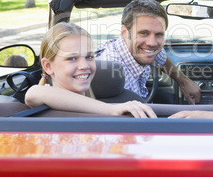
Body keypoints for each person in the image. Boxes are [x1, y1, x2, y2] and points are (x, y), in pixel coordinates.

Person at [25, 22, 156, 118]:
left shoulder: (98, 107)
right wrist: (111, 110)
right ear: (48, 66)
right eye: (72, 58)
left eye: (89, 57)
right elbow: (33, 94)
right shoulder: (41, 98)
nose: (84, 65)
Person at [95, 0, 201, 104]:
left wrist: (183, 81)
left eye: (159, 34)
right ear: (125, 32)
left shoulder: (133, 48)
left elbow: (160, 56)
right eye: (144, 33)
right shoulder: (114, 76)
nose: (152, 43)